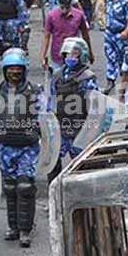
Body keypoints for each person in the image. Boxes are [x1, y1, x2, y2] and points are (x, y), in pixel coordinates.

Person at [0, 49, 43, 248]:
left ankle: (25, 229)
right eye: (11, 69)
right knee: (9, 187)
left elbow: (45, 119)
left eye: (18, 69)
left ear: (24, 70)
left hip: (28, 146)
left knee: (25, 187)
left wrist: (50, 148)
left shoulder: (35, 91)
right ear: (4, 70)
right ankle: (13, 227)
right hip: (5, 145)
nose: (14, 73)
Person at [48, 37, 98, 182]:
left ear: (81, 55)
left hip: (79, 128)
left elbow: (94, 106)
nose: (70, 57)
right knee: (53, 163)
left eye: (74, 54)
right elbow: (51, 100)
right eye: (67, 54)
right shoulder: (57, 75)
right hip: (61, 126)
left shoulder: (87, 77)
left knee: (82, 167)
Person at [42, 0, 93, 71]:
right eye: (62, 7)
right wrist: (43, 56)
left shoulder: (79, 15)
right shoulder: (51, 16)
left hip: (74, 55)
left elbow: (85, 34)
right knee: (57, 79)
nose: (65, 10)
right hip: (57, 54)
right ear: (59, 4)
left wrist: (90, 52)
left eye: (67, 8)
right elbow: (46, 36)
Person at [102, 0, 128, 94]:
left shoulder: (126, 1)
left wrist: (126, 31)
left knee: (123, 59)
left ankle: (124, 83)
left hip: (121, 33)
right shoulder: (109, 1)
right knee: (110, 57)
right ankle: (110, 81)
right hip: (110, 33)